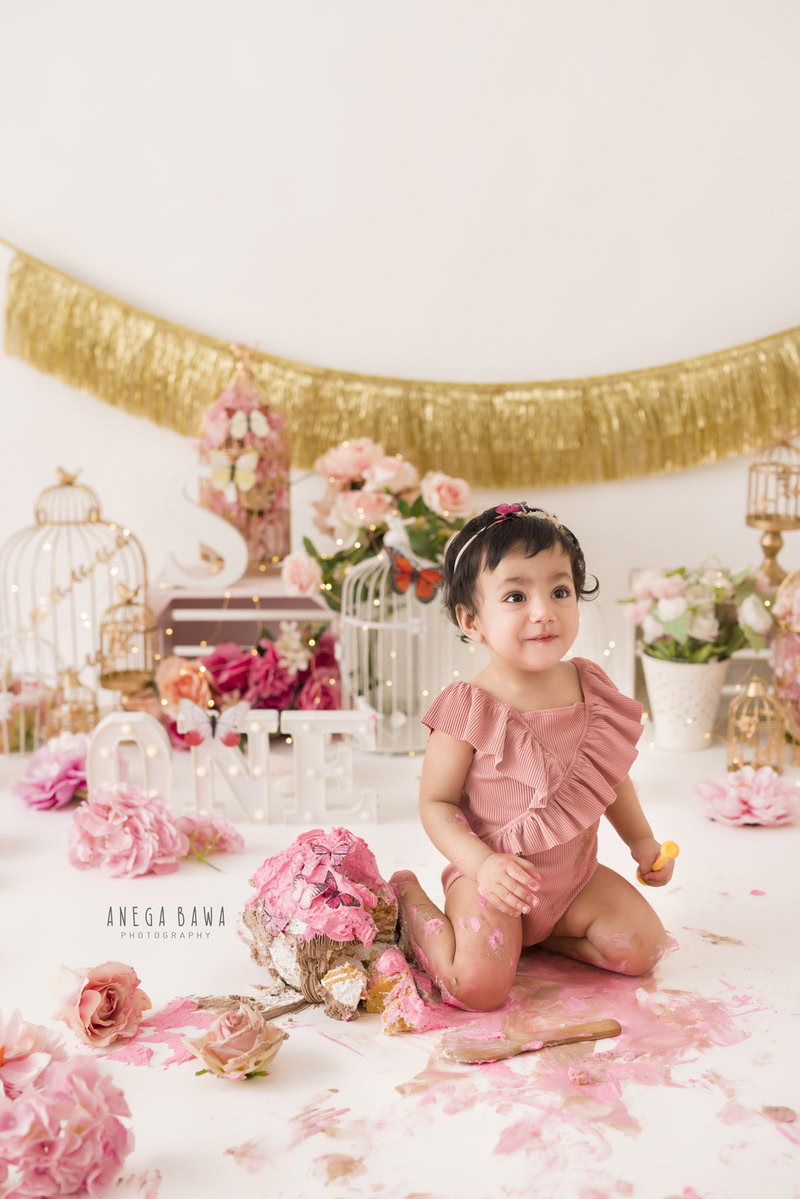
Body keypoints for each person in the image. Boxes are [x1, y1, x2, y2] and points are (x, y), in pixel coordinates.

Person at [389, 502, 673, 1013]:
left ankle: (539, 941)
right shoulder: (468, 707)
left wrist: (642, 841)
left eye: (560, 591)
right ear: (471, 620)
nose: (544, 611)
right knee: (477, 989)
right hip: (492, 885)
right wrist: (482, 865)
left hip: (573, 884)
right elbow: (436, 803)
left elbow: (608, 778)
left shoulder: (590, 686)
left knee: (644, 948)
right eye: (516, 596)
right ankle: (411, 903)